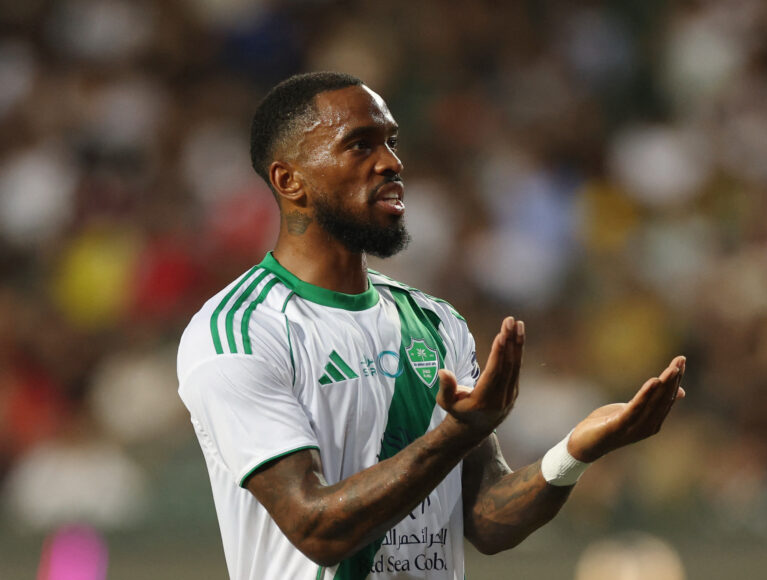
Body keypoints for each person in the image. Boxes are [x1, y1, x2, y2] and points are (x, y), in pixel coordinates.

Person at [177, 71, 687, 580]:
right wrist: (457, 433)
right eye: (360, 145)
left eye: (392, 142)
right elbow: (316, 530)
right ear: (290, 180)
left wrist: (575, 451)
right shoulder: (240, 333)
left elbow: (486, 519)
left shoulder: (434, 323)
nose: (391, 163)